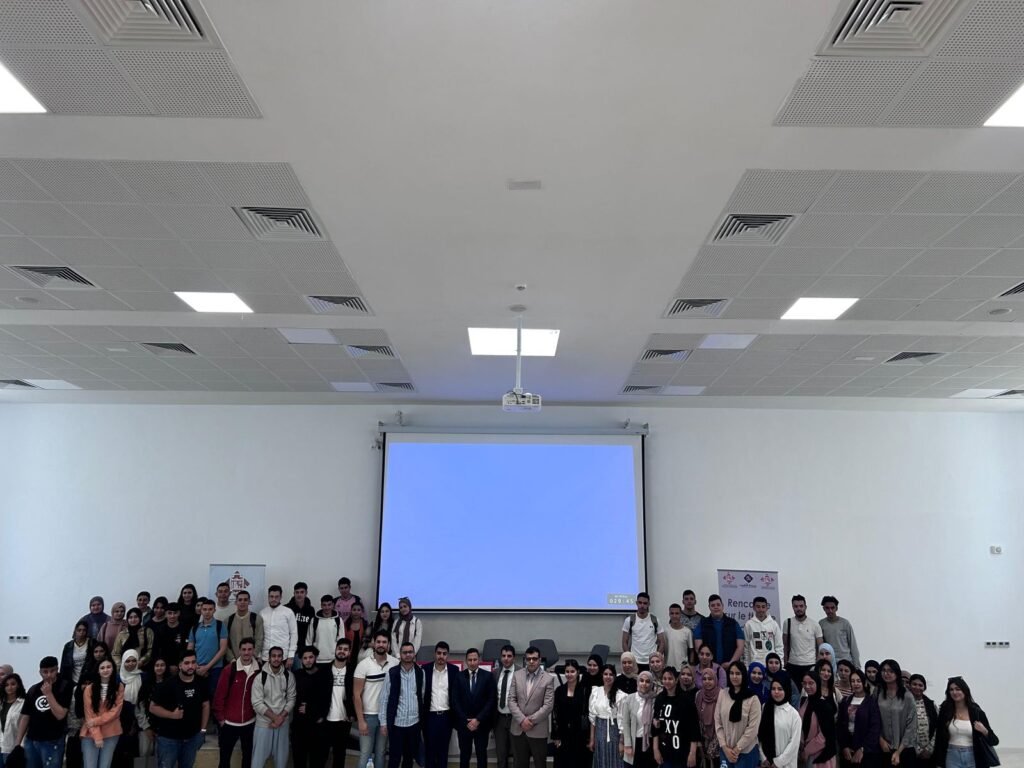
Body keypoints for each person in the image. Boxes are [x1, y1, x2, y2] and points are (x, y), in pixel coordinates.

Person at [147, 649, 209, 768]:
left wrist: (203, 730)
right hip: (169, 739)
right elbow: (152, 708)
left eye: (193, 662)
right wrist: (172, 715)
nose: (190, 666)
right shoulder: (167, 684)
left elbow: (205, 705)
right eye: (187, 663)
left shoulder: (201, 683)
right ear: (180, 665)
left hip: (192, 738)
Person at [16, 656, 73, 768]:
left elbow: (60, 715)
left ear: (57, 669)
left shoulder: (65, 686)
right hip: (31, 740)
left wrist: (48, 694)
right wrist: (17, 743)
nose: (49, 675)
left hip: (53, 741)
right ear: (40, 672)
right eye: (45, 672)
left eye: (52, 671)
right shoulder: (33, 689)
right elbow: (25, 716)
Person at [212, 637, 260, 768]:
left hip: (249, 723)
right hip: (229, 724)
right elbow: (219, 696)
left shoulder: (259, 670)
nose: (246, 652)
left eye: (249, 649)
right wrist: (221, 719)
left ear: (253, 650)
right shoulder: (229, 670)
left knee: (247, 758)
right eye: (243, 649)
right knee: (224, 760)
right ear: (239, 651)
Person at [353, 631, 398, 768]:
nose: (381, 645)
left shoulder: (395, 663)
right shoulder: (363, 665)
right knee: (365, 753)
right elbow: (356, 695)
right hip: (368, 717)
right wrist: (361, 720)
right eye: (378, 642)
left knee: (381, 752)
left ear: (388, 645)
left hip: (386, 716)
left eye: (384, 642)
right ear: (373, 643)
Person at [931, 677, 999, 768]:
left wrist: (984, 730)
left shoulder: (976, 712)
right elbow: (939, 738)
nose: (954, 692)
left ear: (965, 691)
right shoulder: (945, 710)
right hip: (951, 755)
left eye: (958, 689)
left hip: (973, 756)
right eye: (951, 690)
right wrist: (938, 762)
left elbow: (994, 740)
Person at [379, 642, 425, 768]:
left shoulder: (420, 673)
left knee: (409, 758)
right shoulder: (392, 673)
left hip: (414, 724)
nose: (408, 655)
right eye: (405, 652)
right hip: (397, 724)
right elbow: (384, 699)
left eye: (410, 652)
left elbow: (421, 696)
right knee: (394, 758)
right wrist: (383, 723)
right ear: (400, 654)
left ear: (414, 654)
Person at [508, 645, 555, 768]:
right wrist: (522, 720)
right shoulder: (517, 675)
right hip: (518, 729)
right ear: (525, 660)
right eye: (528, 659)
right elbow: (511, 700)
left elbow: (548, 705)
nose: (531, 661)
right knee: (519, 764)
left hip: (538, 730)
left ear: (539, 660)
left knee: (540, 764)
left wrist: (530, 721)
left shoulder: (548, 679)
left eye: (534, 658)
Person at [250, 647, 296, 768]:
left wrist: (280, 718)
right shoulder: (260, 677)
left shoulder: (289, 676)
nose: (276, 659)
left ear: (282, 658)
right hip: (264, 724)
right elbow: (257, 703)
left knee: (281, 761)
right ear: (269, 658)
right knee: (258, 761)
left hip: (282, 724)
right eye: (274, 656)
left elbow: (291, 699)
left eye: (279, 656)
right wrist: (275, 718)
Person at [714, 662, 761, 768]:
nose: (734, 677)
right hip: (725, 750)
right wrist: (724, 747)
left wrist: (737, 749)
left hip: (746, 752)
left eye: (738, 673)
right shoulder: (723, 694)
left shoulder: (753, 699)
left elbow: (753, 729)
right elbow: (718, 722)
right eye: (731, 673)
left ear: (744, 675)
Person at [455, 647, 496, 768]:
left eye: (475, 659)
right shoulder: (459, 677)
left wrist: (478, 719)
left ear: (479, 660)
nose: (472, 662)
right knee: (464, 756)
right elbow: (455, 701)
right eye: (470, 660)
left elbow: (491, 700)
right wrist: (465, 720)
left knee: (481, 755)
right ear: (466, 661)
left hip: (482, 724)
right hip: (464, 725)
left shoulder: (488, 676)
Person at [80, 659, 124, 768]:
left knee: (105, 765)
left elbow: (115, 712)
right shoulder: (89, 689)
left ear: (113, 669)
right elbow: (89, 713)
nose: (105, 670)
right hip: (90, 733)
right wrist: (97, 736)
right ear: (98, 670)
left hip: (111, 731)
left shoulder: (119, 687)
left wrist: (95, 721)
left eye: (108, 667)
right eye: (102, 668)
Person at [652, 666, 699, 768]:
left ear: (676, 680)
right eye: (664, 679)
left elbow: (694, 728)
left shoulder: (686, 700)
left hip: (683, 751)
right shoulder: (659, 699)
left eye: (670, 678)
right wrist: (655, 749)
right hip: (665, 751)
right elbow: (655, 728)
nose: (667, 681)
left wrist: (692, 752)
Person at [422, 642, 461, 768]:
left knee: (443, 752)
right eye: (439, 653)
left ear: (447, 655)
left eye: (444, 654)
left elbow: (457, 695)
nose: (441, 656)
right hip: (430, 717)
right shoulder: (425, 669)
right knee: (430, 752)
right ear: (435, 654)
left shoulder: (454, 671)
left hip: (446, 717)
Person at [292, 647, 331, 768]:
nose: (308, 660)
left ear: (315, 658)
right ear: (301, 660)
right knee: (299, 760)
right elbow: (295, 699)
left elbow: (326, 699)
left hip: (317, 725)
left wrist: (310, 709)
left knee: (317, 761)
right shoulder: (297, 675)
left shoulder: (324, 675)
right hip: (299, 726)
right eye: (305, 658)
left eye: (310, 657)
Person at [876, 660, 916, 768]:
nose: (886, 674)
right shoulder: (878, 693)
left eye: (890, 671)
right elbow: (873, 719)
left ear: (897, 673)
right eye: (884, 670)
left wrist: (898, 751)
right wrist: (880, 740)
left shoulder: (907, 696)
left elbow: (911, 726)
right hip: (883, 748)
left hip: (904, 749)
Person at [838, 669, 881, 768]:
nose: (855, 684)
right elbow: (840, 725)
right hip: (848, 748)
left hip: (866, 751)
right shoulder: (845, 701)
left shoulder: (871, 702)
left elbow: (875, 728)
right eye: (853, 681)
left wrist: (863, 749)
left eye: (858, 681)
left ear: (864, 683)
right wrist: (844, 746)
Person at [114, 650, 150, 768]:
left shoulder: (144, 677)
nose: (131, 664)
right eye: (127, 661)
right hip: (121, 722)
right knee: (119, 755)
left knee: (137, 754)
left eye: (134, 660)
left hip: (139, 721)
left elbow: (145, 699)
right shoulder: (117, 678)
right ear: (123, 662)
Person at [187, 599, 228, 699]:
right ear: (201, 610)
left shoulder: (220, 626)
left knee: (213, 696)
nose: (207, 612)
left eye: (210, 609)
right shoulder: (195, 627)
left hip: (215, 668)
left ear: (214, 610)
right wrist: (195, 666)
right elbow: (190, 648)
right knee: (196, 696)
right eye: (204, 609)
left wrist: (207, 667)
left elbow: (223, 649)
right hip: (197, 668)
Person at [758, 678, 802, 768]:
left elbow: (794, 744)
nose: (776, 692)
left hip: (785, 764)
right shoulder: (765, 707)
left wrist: (778, 762)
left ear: (786, 690)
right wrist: (763, 758)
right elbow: (760, 735)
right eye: (773, 689)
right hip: (766, 763)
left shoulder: (793, 715)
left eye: (780, 689)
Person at [323, 639, 354, 768]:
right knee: (321, 754)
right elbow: (316, 693)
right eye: (340, 648)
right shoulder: (324, 670)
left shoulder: (353, 670)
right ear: (335, 650)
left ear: (349, 652)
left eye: (345, 649)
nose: (342, 651)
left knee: (340, 755)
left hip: (344, 720)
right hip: (325, 719)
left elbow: (356, 694)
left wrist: (352, 714)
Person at [550, 659, 587, 768]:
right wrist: (556, 736)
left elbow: (586, 713)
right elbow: (555, 713)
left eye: (572, 671)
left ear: (578, 672)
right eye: (567, 671)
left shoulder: (584, 690)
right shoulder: (559, 690)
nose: (569, 674)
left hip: (579, 735)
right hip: (563, 734)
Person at [798, 671, 837, 768]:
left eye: (811, 683)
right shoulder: (804, 701)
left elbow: (824, 735)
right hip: (804, 752)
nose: (807, 686)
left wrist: (807, 751)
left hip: (821, 755)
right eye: (804, 683)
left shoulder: (825, 706)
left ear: (818, 683)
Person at [588, 664, 624, 768]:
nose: (608, 677)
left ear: (615, 676)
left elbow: (623, 722)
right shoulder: (595, 692)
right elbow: (593, 718)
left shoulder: (620, 695)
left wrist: (621, 742)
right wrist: (592, 739)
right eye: (605, 674)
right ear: (602, 675)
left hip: (614, 733)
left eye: (611, 674)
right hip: (599, 733)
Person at [783, 596, 822, 689]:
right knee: (794, 693)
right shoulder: (787, 623)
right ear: (792, 607)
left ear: (805, 607)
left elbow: (820, 647)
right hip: (792, 665)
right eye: (796, 606)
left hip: (810, 665)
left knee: (809, 692)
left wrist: (817, 665)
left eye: (801, 606)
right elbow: (785, 645)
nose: (799, 609)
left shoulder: (814, 625)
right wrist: (785, 663)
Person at [695, 595, 745, 667]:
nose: (716, 607)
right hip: (709, 668)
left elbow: (740, 647)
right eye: (713, 605)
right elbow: (698, 648)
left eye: (718, 605)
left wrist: (731, 663)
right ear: (709, 607)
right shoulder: (702, 624)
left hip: (730, 668)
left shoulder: (733, 623)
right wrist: (708, 664)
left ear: (722, 606)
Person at [621, 670, 658, 767]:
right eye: (641, 680)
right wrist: (627, 744)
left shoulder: (655, 699)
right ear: (637, 682)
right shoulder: (630, 698)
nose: (644, 684)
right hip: (634, 742)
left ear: (651, 684)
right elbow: (626, 723)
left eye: (647, 681)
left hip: (649, 743)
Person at [622, 592, 667, 671]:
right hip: (635, 661)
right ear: (636, 603)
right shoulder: (629, 620)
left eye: (645, 603)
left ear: (649, 604)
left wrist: (656, 658)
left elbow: (662, 642)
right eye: (640, 603)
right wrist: (629, 658)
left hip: (651, 662)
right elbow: (624, 642)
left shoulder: (655, 620)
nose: (642, 605)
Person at [259, 587, 297, 668]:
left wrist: (291, 656)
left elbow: (294, 634)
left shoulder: (288, 612)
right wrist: (259, 655)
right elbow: (259, 636)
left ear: (280, 597)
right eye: (271, 596)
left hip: (283, 656)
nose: (274, 599)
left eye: (276, 597)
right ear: (268, 597)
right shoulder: (262, 613)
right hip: (266, 656)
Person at [493, 644, 518, 768]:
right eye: (503, 656)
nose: (506, 659)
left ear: (514, 657)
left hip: (516, 719)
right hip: (499, 719)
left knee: (518, 754)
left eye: (509, 656)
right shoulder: (495, 673)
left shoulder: (521, 672)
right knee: (501, 755)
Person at [818, 599, 860, 669]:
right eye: (827, 608)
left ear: (836, 608)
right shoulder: (821, 624)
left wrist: (857, 666)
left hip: (846, 661)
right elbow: (821, 646)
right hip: (830, 663)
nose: (830, 610)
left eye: (832, 608)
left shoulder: (845, 623)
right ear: (824, 609)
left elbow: (853, 645)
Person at [225, 592, 264, 664]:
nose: (242, 602)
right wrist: (231, 659)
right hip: (233, 662)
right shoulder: (228, 620)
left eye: (245, 600)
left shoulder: (256, 618)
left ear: (249, 602)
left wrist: (253, 656)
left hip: (252, 661)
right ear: (236, 602)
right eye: (240, 600)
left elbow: (259, 639)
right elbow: (225, 643)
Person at [908, 676, 937, 768]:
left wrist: (929, 749)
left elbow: (938, 727)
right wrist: (918, 750)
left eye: (920, 685)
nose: (917, 687)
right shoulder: (904, 704)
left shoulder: (931, 705)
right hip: (909, 751)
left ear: (924, 688)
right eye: (914, 684)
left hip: (929, 753)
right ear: (909, 685)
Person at [744, 597, 782, 666]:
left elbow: (779, 647)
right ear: (754, 608)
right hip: (755, 663)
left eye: (763, 607)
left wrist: (780, 665)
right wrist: (747, 665)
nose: (761, 609)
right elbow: (746, 648)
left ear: (767, 608)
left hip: (771, 665)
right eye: (758, 607)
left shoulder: (774, 624)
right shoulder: (749, 624)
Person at [285, 583, 316, 668]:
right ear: (294, 593)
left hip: (303, 650)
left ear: (306, 593)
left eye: (302, 592)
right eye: (297, 592)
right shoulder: (286, 609)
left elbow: (311, 630)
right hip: (288, 650)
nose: (299, 595)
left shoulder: (310, 610)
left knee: (299, 674)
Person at [151, 604, 188, 676]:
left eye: (175, 613)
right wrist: (167, 665)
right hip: (164, 666)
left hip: (181, 666)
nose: (172, 616)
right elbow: (156, 649)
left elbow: (186, 648)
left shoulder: (185, 629)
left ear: (179, 613)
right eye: (169, 613)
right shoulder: (160, 630)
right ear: (165, 614)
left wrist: (179, 664)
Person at [696, 668, 722, 768]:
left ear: (715, 680)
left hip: (719, 738)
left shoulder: (722, 695)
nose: (707, 682)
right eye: (704, 679)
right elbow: (697, 718)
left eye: (710, 679)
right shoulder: (699, 695)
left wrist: (715, 742)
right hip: (703, 737)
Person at [1, 673, 27, 768]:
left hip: (16, 748)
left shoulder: (24, 703)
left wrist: (20, 745)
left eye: (13, 684)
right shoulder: (1, 703)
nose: (10, 687)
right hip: (1, 746)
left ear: (18, 685)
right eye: (6, 685)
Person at [312, 596, 342, 667]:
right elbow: (309, 640)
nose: (327, 607)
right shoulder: (314, 620)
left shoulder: (338, 620)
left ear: (333, 605)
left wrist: (339, 657)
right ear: (321, 605)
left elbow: (341, 640)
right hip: (317, 659)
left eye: (329, 604)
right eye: (324, 605)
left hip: (334, 659)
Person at [666, 604, 696, 670]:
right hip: (668, 668)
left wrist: (690, 666)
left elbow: (691, 651)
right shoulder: (665, 631)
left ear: (681, 615)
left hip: (683, 669)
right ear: (669, 614)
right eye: (672, 613)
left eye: (677, 613)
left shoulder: (687, 632)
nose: (674, 616)